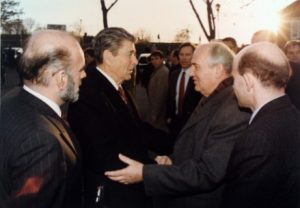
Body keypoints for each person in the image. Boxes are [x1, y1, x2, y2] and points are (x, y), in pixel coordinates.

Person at [105, 42, 250, 208]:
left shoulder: (232, 109)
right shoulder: (212, 97)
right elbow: (197, 147)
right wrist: (172, 161)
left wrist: (146, 174)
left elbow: (208, 172)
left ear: (218, 69)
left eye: (196, 67)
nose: (192, 73)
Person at [67, 27, 172, 208]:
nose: (135, 61)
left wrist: (177, 144)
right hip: (112, 196)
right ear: (109, 56)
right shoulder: (87, 90)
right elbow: (101, 151)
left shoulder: (119, 89)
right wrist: (153, 168)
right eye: (130, 54)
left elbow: (138, 130)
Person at [0, 30, 86, 208]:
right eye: (81, 69)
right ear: (62, 79)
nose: (84, 75)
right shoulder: (42, 142)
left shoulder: (11, 99)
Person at [222, 42, 300, 208]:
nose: (233, 87)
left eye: (234, 79)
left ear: (248, 81)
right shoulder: (293, 116)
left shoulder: (257, 139)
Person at [166, 42, 202, 138]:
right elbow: (170, 97)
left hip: (192, 124)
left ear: (194, 56)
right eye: (181, 55)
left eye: (187, 55)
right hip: (175, 122)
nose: (184, 58)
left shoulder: (198, 76)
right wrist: (168, 116)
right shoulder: (174, 74)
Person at [147, 50, 169, 132]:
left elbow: (161, 94)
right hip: (154, 108)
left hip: (159, 111)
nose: (154, 61)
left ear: (162, 59)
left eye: (156, 58)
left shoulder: (163, 72)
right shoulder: (158, 70)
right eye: (152, 59)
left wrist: (155, 113)